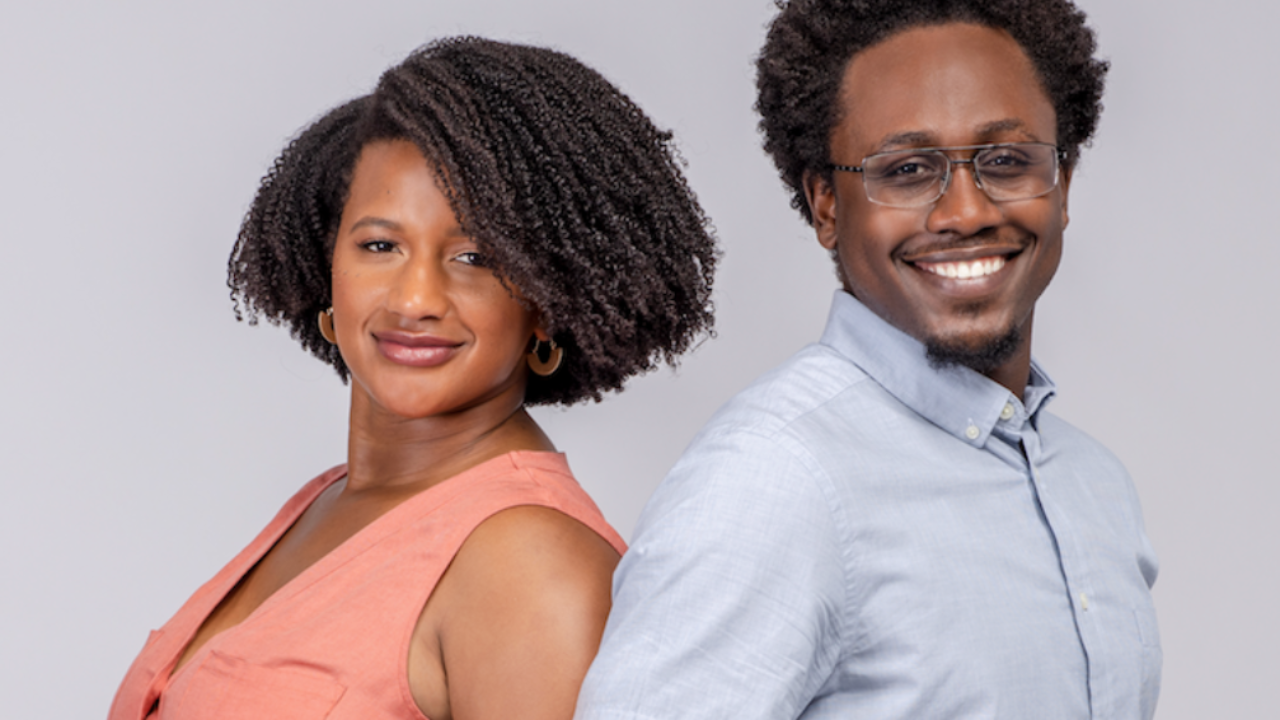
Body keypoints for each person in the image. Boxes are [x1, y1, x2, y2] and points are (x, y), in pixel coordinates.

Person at [576, 1, 1160, 718]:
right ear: (825, 205)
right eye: (907, 170)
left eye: (1007, 161)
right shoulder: (772, 480)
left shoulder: (1094, 485)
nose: (966, 212)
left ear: (1062, 184)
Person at [108, 36, 717, 720]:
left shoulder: (532, 564)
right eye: (380, 245)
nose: (415, 298)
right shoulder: (327, 500)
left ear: (547, 302)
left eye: (474, 258)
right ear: (327, 270)